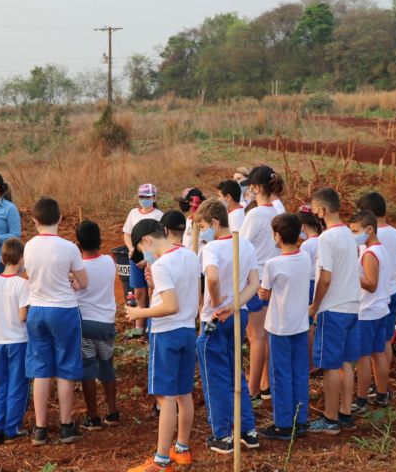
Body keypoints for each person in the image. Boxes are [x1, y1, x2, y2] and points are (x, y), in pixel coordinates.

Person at [125, 219, 199, 472]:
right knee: (183, 393)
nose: (145, 255)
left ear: (147, 240)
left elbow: (170, 306)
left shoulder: (163, 264)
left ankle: (161, 461)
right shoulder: (190, 256)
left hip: (167, 333)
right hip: (188, 329)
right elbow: (187, 296)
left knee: (165, 397)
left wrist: (140, 313)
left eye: (141, 248)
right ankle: (181, 449)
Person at [193, 200, 261, 454]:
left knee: (215, 376)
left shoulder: (211, 248)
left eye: (202, 226)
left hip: (214, 317)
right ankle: (248, 430)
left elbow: (211, 277)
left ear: (214, 223)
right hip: (238, 315)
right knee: (236, 373)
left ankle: (222, 434)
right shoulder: (245, 244)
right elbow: (254, 283)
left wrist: (217, 300)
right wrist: (235, 305)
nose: (201, 232)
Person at [24, 197, 88, 446]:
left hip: (37, 308)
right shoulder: (69, 248)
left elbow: (29, 275)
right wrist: (71, 279)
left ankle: (40, 429)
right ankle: (65, 426)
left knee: (41, 369)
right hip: (63, 310)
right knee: (65, 368)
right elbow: (83, 282)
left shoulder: (28, 246)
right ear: (60, 218)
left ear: (35, 220)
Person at [307, 188, 361, 435]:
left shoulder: (326, 239)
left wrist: (315, 305)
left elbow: (325, 278)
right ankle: (346, 413)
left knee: (330, 365)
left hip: (334, 307)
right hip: (351, 306)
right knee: (347, 362)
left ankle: (330, 419)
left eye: (314, 209)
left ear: (322, 210)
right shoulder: (350, 234)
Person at [258, 213, 312, 440]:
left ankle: (282, 424)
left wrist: (263, 293)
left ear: (277, 236)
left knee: (280, 374)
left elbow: (265, 293)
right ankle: (300, 420)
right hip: (300, 324)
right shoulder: (306, 256)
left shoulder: (273, 263)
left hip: (279, 327)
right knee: (300, 373)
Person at [0, 238, 30, 445]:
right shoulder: (22, 284)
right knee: (18, 385)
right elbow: (22, 316)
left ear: (2, 258)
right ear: (21, 260)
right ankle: (12, 428)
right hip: (19, 339)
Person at [73, 221, 120, 432]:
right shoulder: (110, 262)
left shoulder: (78, 269)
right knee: (107, 367)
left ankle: (93, 418)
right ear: (100, 240)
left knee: (88, 371)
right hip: (107, 323)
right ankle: (112, 412)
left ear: (78, 244)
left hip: (86, 324)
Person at [240, 165, 280, 402]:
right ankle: (264, 384)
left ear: (255, 188)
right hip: (271, 277)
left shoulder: (255, 215)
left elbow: (241, 247)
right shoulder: (275, 210)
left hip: (257, 279)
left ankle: (253, 389)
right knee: (263, 334)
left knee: (255, 335)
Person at [356, 192, 396, 378]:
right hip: (392, 291)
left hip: (373, 296)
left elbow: (366, 272)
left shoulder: (368, 237)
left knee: (367, 352)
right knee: (384, 342)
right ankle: (382, 384)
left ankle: (369, 386)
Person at [348, 211, 391, 415]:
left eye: (355, 231)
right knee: (378, 353)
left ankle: (362, 399)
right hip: (380, 308)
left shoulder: (369, 254)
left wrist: (350, 275)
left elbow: (371, 285)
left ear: (369, 229)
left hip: (368, 311)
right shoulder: (380, 249)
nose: (353, 235)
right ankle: (382, 393)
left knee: (364, 357)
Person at [122, 184, 163, 338]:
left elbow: (161, 240)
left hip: (152, 258)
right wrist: (132, 248)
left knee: (152, 290)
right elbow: (127, 234)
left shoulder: (159, 215)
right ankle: (140, 324)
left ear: (154, 198)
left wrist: (148, 259)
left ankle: (151, 324)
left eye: (147, 197)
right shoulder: (133, 213)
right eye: (142, 197)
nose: (144, 200)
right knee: (139, 291)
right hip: (135, 256)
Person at [297, 206, 322, 371]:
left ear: (303, 225)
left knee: (308, 324)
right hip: (321, 282)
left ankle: (311, 364)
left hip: (309, 283)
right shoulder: (324, 240)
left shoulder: (307, 245)